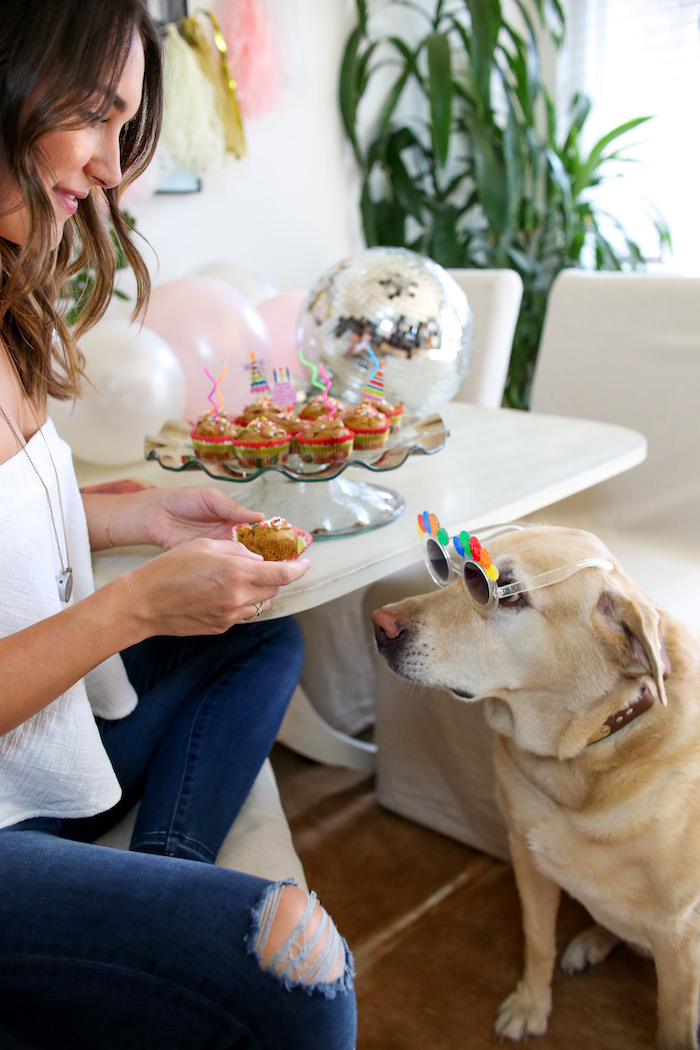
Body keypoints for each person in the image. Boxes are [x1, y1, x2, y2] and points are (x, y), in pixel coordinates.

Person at [0, 2, 357, 1047]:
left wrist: (142, 513)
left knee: (258, 640)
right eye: (96, 118)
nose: (113, 167)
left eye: (129, 129)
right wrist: (137, 605)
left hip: (34, 756)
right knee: (299, 984)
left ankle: (150, 903)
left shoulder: (12, 306)